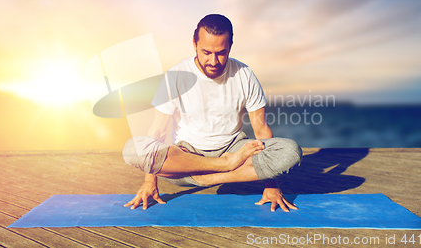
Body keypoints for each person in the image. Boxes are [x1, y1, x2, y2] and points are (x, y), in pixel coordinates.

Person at [123, 14, 302, 212]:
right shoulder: (175, 76)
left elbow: (261, 130)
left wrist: (271, 185)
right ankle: (224, 166)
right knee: (133, 149)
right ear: (194, 44)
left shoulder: (244, 74)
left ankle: (211, 174)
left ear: (230, 46)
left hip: (233, 149)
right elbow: (158, 131)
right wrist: (150, 181)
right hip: (188, 154)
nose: (213, 61)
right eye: (206, 52)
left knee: (290, 151)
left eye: (221, 52)